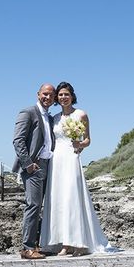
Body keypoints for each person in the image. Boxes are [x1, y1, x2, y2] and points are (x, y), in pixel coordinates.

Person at [39, 81, 111, 256]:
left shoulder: (81, 114)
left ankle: (78, 242)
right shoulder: (54, 118)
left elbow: (88, 139)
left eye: (67, 94)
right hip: (57, 160)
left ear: (72, 96)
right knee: (59, 199)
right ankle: (64, 243)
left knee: (73, 198)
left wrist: (80, 144)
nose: (63, 97)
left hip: (71, 158)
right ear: (57, 98)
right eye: (61, 95)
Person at [13, 83, 56, 259]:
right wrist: (28, 164)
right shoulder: (28, 112)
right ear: (38, 94)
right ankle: (27, 248)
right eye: (45, 94)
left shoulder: (51, 118)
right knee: (33, 205)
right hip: (33, 167)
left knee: (45, 206)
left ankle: (38, 245)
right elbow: (18, 140)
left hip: (48, 165)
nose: (48, 97)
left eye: (51, 96)